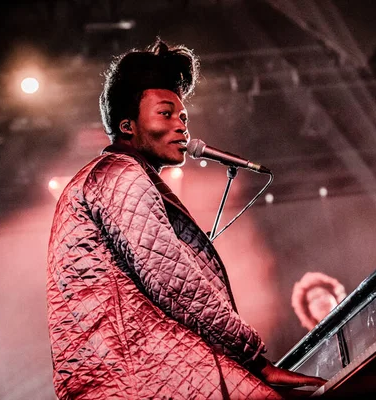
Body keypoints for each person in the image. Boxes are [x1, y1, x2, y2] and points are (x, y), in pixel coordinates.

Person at [45, 37, 326, 400]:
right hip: (142, 376)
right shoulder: (119, 175)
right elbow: (174, 282)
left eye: (183, 116)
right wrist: (253, 358)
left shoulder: (104, 177)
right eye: (165, 113)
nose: (182, 126)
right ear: (127, 125)